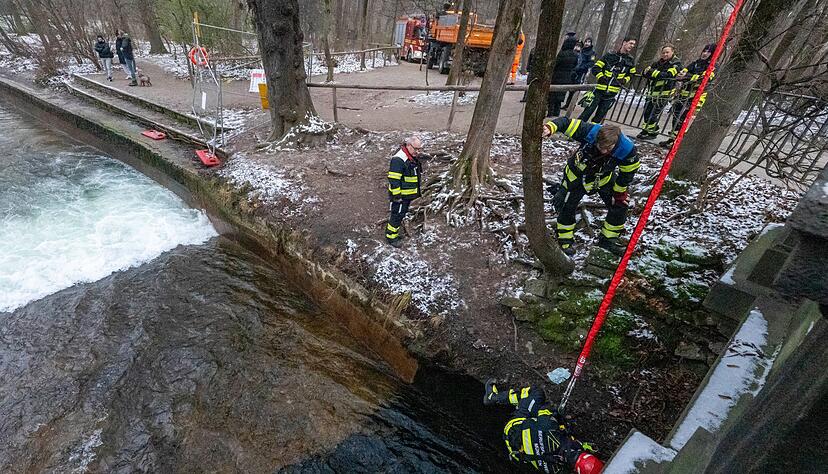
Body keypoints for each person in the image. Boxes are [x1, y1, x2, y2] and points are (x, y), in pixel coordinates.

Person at [542, 116, 640, 256]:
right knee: (566, 205)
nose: (604, 151)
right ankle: (564, 239)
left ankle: (608, 239)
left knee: (620, 205)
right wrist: (550, 127)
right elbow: (566, 123)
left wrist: (619, 193)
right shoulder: (590, 131)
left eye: (608, 148)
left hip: (603, 178)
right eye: (601, 147)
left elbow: (628, 173)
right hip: (576, 175)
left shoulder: (627, 150)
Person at [483, 381, 604, 474]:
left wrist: (556, 415)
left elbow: (544, 412)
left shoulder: (550, 429)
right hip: (517, 451)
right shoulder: (558, 470)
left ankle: (493, 398)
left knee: (536, 392)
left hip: (514, 427)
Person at [660, 43, 716, 147]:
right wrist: (686, 76)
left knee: (684, 120)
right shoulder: (695, 63)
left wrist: (688, 76)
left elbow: (704, 79)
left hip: (696, 97)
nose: (705, 53)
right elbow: (681, 73)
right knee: (676, 117)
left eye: (708, 52)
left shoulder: (712, 67)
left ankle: (678, 142)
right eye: (704, 51)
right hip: (683, 95)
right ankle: (672, 139)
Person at [579, 37, 637, 123]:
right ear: (624, 42)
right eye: (630, 43)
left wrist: (625, 80)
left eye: (633, 44)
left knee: (599, 117)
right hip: (599, 91)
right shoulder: (610, 55)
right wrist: (601, 77)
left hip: (611, 94)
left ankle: (591, 133)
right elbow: (596, 68)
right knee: (587, 113)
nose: (632, 46)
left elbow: (632, 74)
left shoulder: (630, 60)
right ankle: (575, 131)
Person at [637, 44, 682, 139]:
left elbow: (668, 75)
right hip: (652, 92)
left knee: (653, 114)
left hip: (664, 94)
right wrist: (649, 72)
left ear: (673, 52)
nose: (665, 54)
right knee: (647, 112)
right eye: (663, 52)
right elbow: (645, 72)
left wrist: (653, 73)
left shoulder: (676, 64)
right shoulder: (658, 63)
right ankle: (646, 131)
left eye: (667, 52)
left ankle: (653, 132)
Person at [386, 136, 423, 248]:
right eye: (416, 149)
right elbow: (394, 180)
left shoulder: (410, 156)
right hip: (400, 196)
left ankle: (394, 234)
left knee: (401, 214)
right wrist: (397, 196)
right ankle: (391, 237)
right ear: (408, 145)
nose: (418, 152)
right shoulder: (398, 159)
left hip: (406, 195)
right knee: (396, 215)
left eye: (419, 149)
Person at [548, 36, 579, 117]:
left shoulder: (562, 53)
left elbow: (555, 64)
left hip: (556, 76)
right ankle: (556, 115)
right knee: (560, 97)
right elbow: (575, 65)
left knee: (552, 96)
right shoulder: (575, 55)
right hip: (567, 77)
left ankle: (550, 114)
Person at [564, 37, 596, 109]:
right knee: (570, 87)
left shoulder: (592, 53)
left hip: (581, 73)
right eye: (586, 42)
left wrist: (582, 68)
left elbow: (591, 63)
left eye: (589, 42)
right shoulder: (581, 50)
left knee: (576, 88)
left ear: (591, 43)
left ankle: (571, 105)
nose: (587, 43)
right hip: (574, 71)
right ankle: (567, 104)